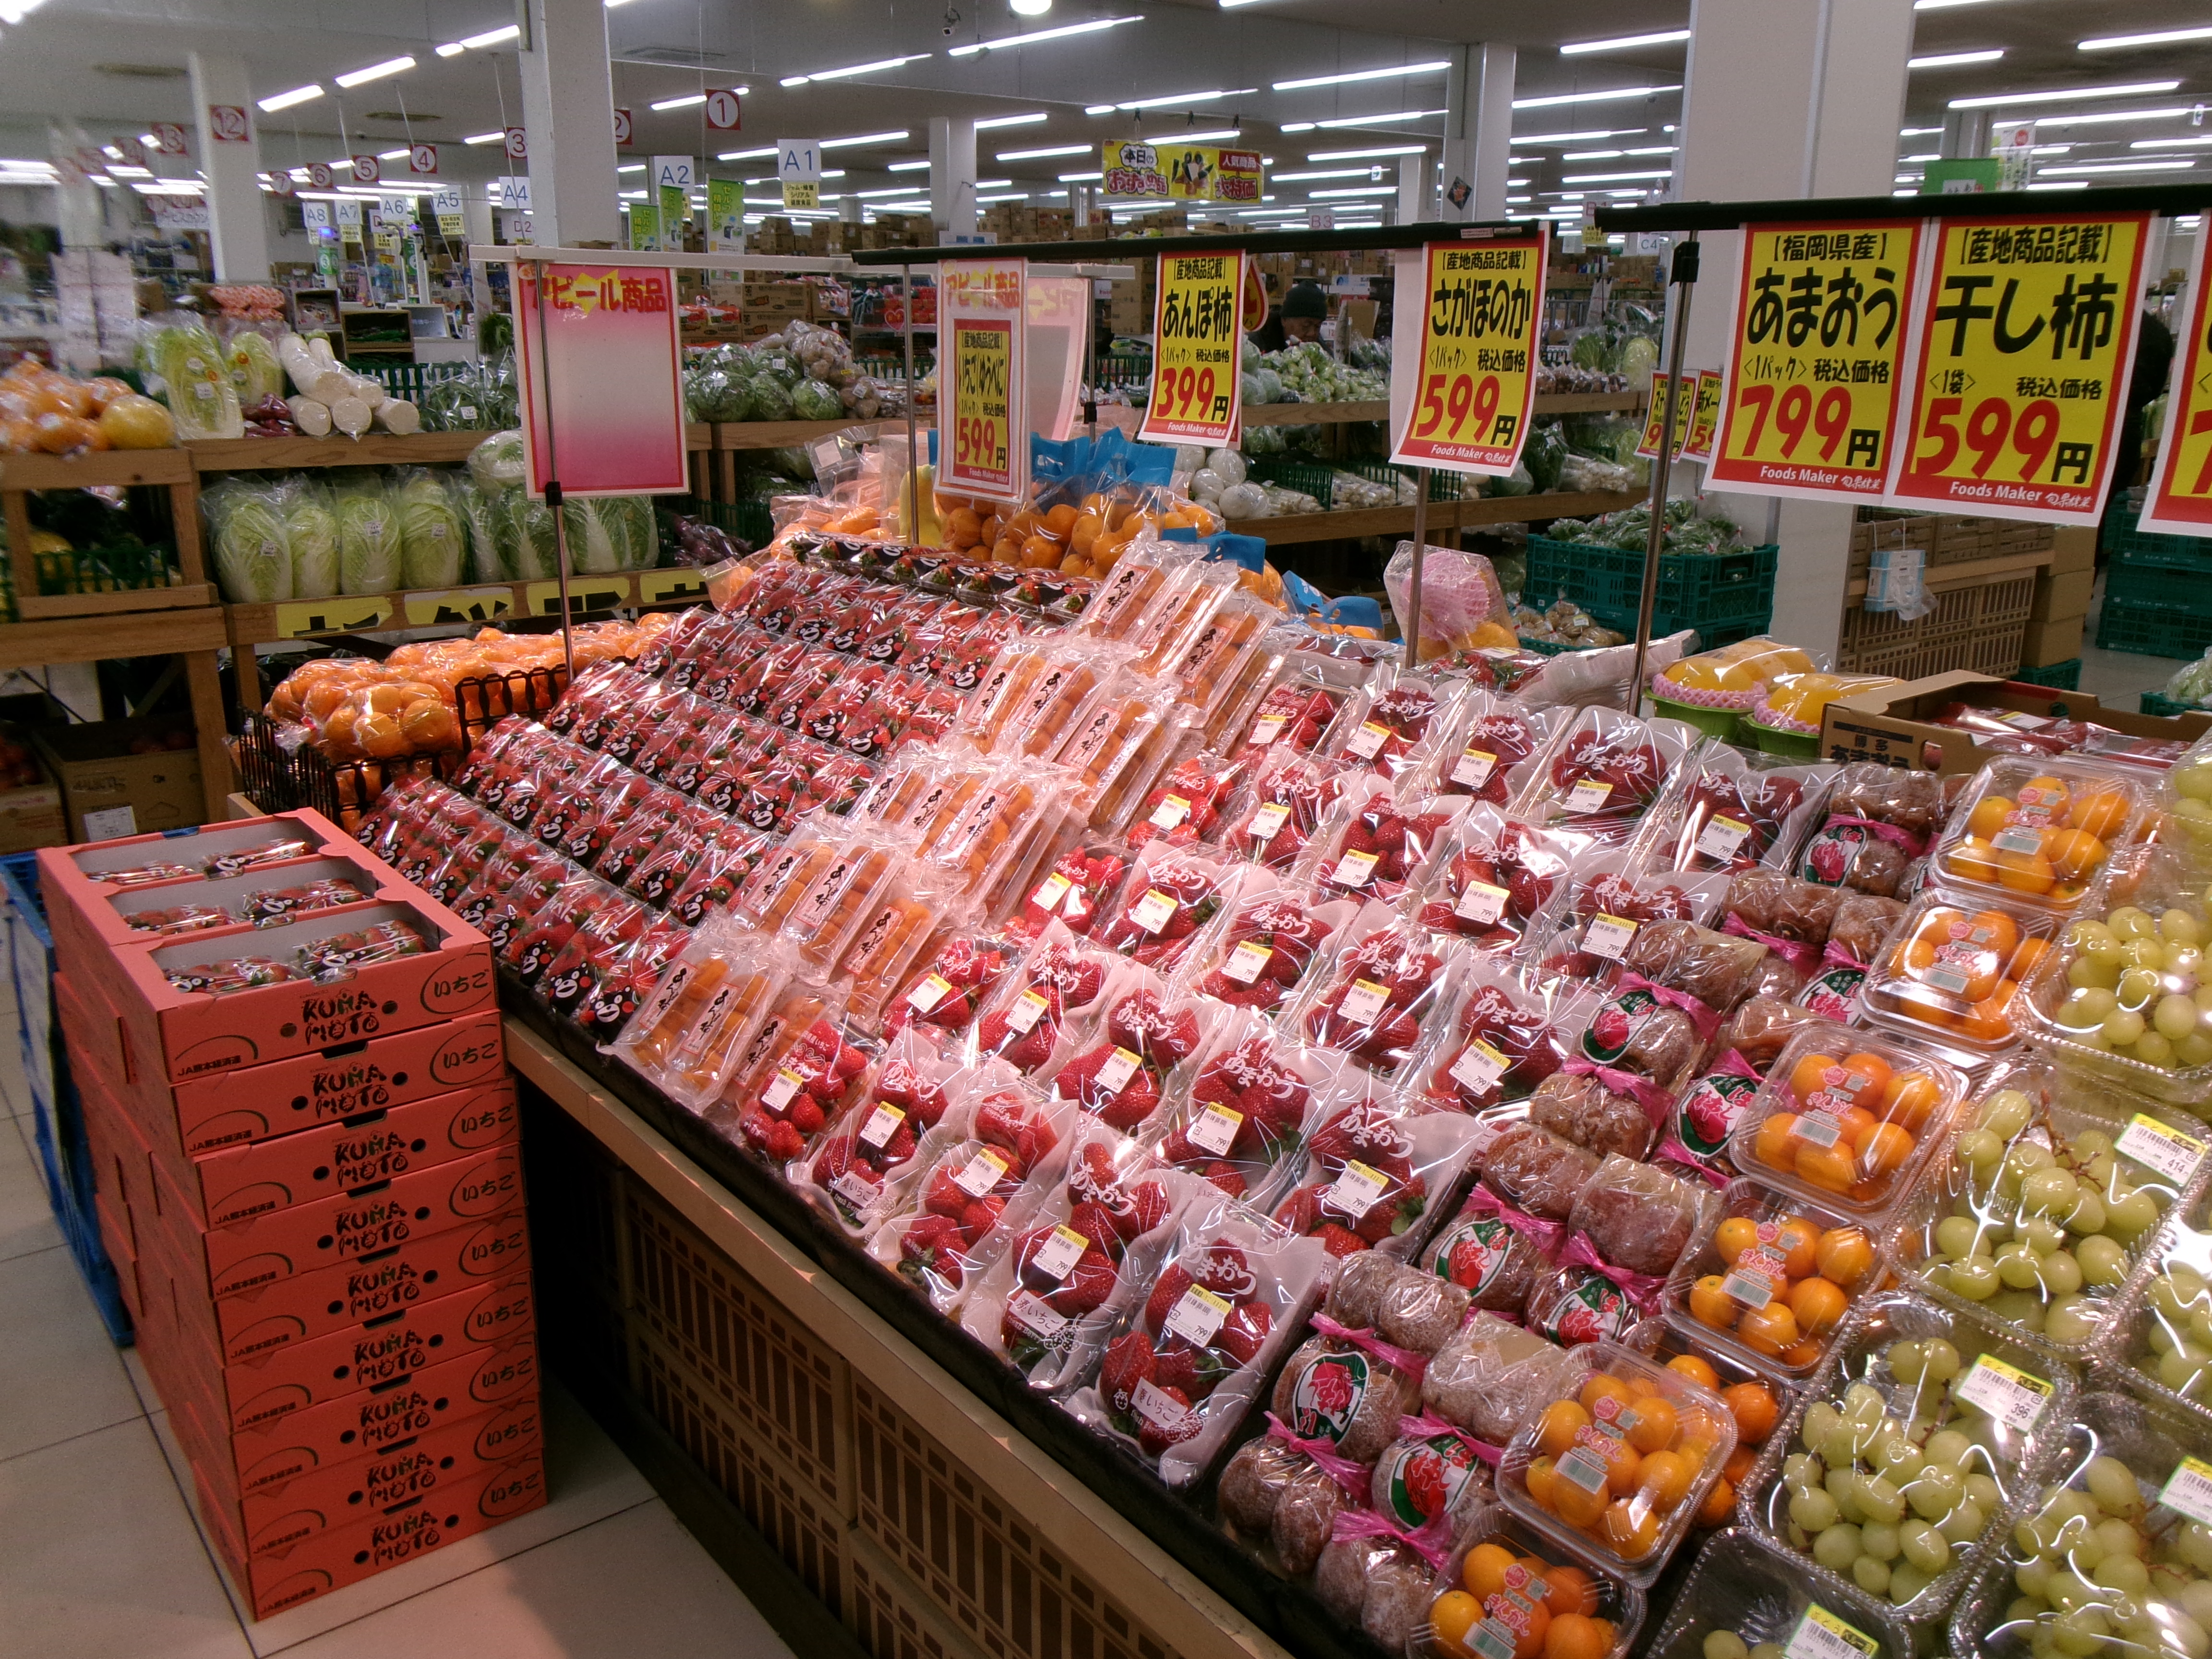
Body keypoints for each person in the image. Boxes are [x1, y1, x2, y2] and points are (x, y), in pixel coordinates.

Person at [1247, 279, 1328, 353]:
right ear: (1284, 320)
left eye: (1318, 326)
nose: (1312, 333)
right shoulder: (1254, 346)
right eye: (1306, 325)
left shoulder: (1319, 349)